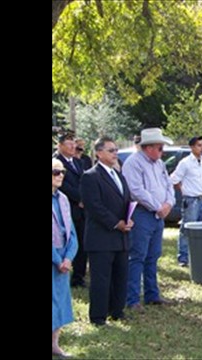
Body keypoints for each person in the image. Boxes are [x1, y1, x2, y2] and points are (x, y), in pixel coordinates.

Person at [80, 137, 134, 326]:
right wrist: (115, 223)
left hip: (121, 236)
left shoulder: (118, 175)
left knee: (120, 276)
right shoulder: (91, 176)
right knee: (101, 279)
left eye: (116, 150)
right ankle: (98, 316)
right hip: (101, 236)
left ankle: (117, 311)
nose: (115, 154)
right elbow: (94, 206)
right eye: (111, 150)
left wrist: (129, 218)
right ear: (99, 153)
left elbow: (126, 199)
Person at [122, 128, 175, 309]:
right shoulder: (133, 163)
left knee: (153, 255)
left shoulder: (159, 164)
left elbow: (168, 184)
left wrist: (169, 203)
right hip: (142, 213)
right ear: (148, 147)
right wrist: (158, 206)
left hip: (157, 214)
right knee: (137, 256)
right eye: (160, 148)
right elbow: (136, 191)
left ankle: (152, 294)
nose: (162, 152)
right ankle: (132, 298)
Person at [170, 136, 202, 267]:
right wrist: (183, 190)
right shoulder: (185, 163)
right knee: (187, 229)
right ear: (192, 147)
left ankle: (200, 256)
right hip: (191, 199)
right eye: (199, 145)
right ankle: (183, 257)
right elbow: (174, 179)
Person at [52, 158, 78, 358]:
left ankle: (55, 344)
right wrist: (57, 259)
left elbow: (72, 233)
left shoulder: (63, 198)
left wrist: (68, 257)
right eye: (55, 172)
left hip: (63, 256)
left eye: (62, 172)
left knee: (60, 302)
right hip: (54, 256)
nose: (60, 176)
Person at [54, 133, 88, 288]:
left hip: (82, 211)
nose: (73, 146)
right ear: (60, 146)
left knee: (81, 242)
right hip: (67, 208)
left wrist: (85, 198)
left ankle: (78, 277)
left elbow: (84, 182)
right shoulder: (57, 163)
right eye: (69, 143)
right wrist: (79, 198)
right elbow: (63, 186)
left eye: (74, 143)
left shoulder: (78, 162)